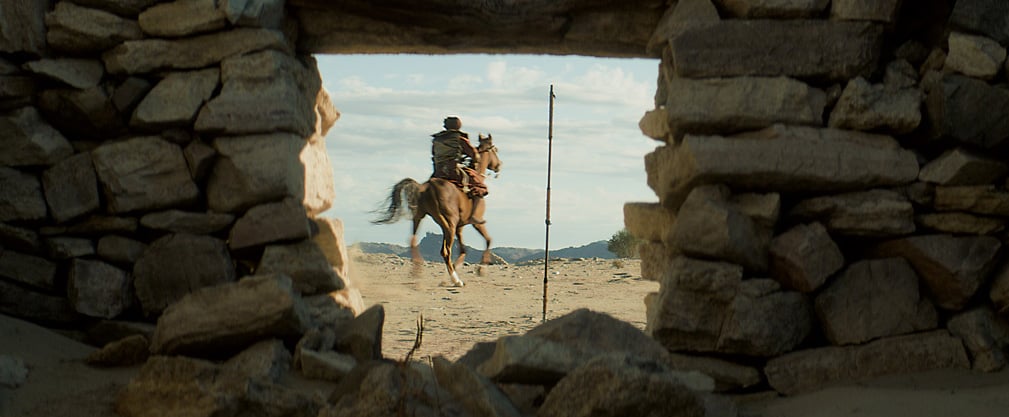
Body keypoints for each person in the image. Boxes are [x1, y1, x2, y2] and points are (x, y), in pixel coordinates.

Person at [431, 116, 487, 224]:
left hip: (439, 171)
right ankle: (474, 215)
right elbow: (475, 155)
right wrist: (475, 159)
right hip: (454, 170)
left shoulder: (437, 140)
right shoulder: (460, 139)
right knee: (480, 186)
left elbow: (434, 153)